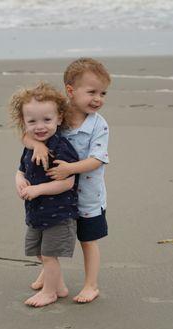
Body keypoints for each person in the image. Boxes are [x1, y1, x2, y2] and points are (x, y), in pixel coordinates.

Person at [18, 58, 111, 304]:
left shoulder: (98, 125)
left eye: (103, 93)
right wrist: (37, 144)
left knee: (87, 241)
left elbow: (97, 159)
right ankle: (49, 274)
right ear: (71, 91)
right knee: (51, 238)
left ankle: (91, 285)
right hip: (58, 198)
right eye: (92, 92)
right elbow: (27, 134)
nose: (98, 99)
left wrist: (70, 168)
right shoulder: (57, 115)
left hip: (87, 195)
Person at [10, 82, 79, 307]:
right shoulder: (30, 146)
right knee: (39, 252)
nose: (40, 126)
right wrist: (20, 183)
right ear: (24, 122)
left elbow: (68, 182)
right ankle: (58, 286)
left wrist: (37, 189)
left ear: (59, 118)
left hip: (58, 213)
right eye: (32, 121)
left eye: (47, 120)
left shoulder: (61, 147)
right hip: (36, 212)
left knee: (49, 255)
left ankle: (49, 292)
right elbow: (20, 171)